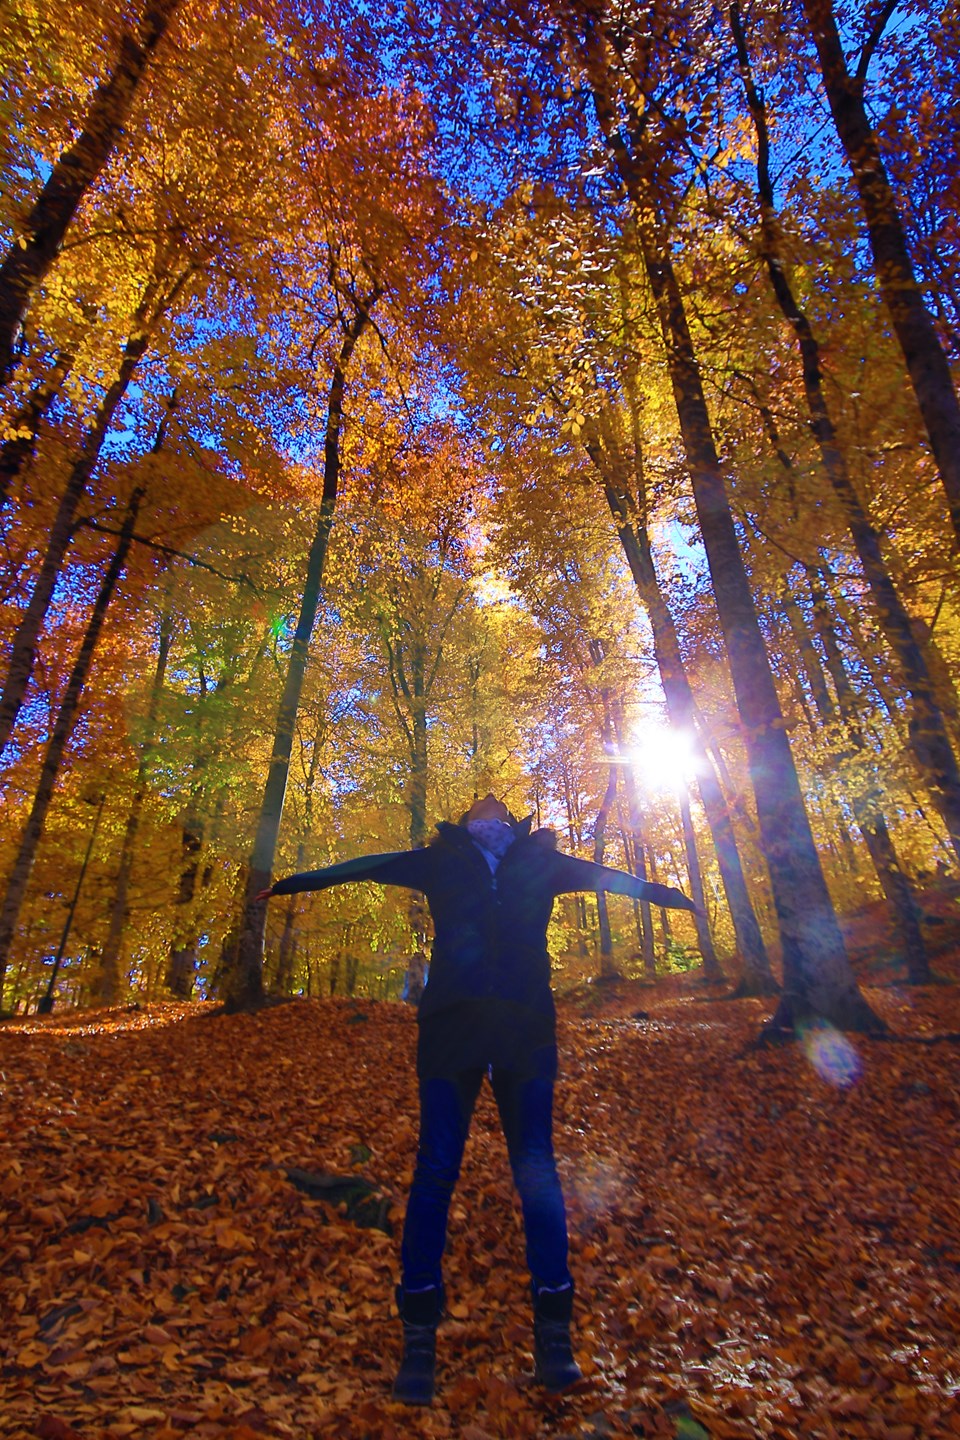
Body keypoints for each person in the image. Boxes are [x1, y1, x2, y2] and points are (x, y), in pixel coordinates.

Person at [259, 794, 698, 1406]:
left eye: (496, 803)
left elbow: (607, 877)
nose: (486, 803)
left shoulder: (541, 862)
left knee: (537, 1172)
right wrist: (290, 884)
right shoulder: (440, 859)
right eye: (476, 804)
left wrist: (665, 894)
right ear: (464, 821)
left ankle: (554, 1337)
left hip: (525, 1028)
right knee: (435, 1172)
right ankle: (419, 1341)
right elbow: (368, 866)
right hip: (452, 1027)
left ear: (513, 820)